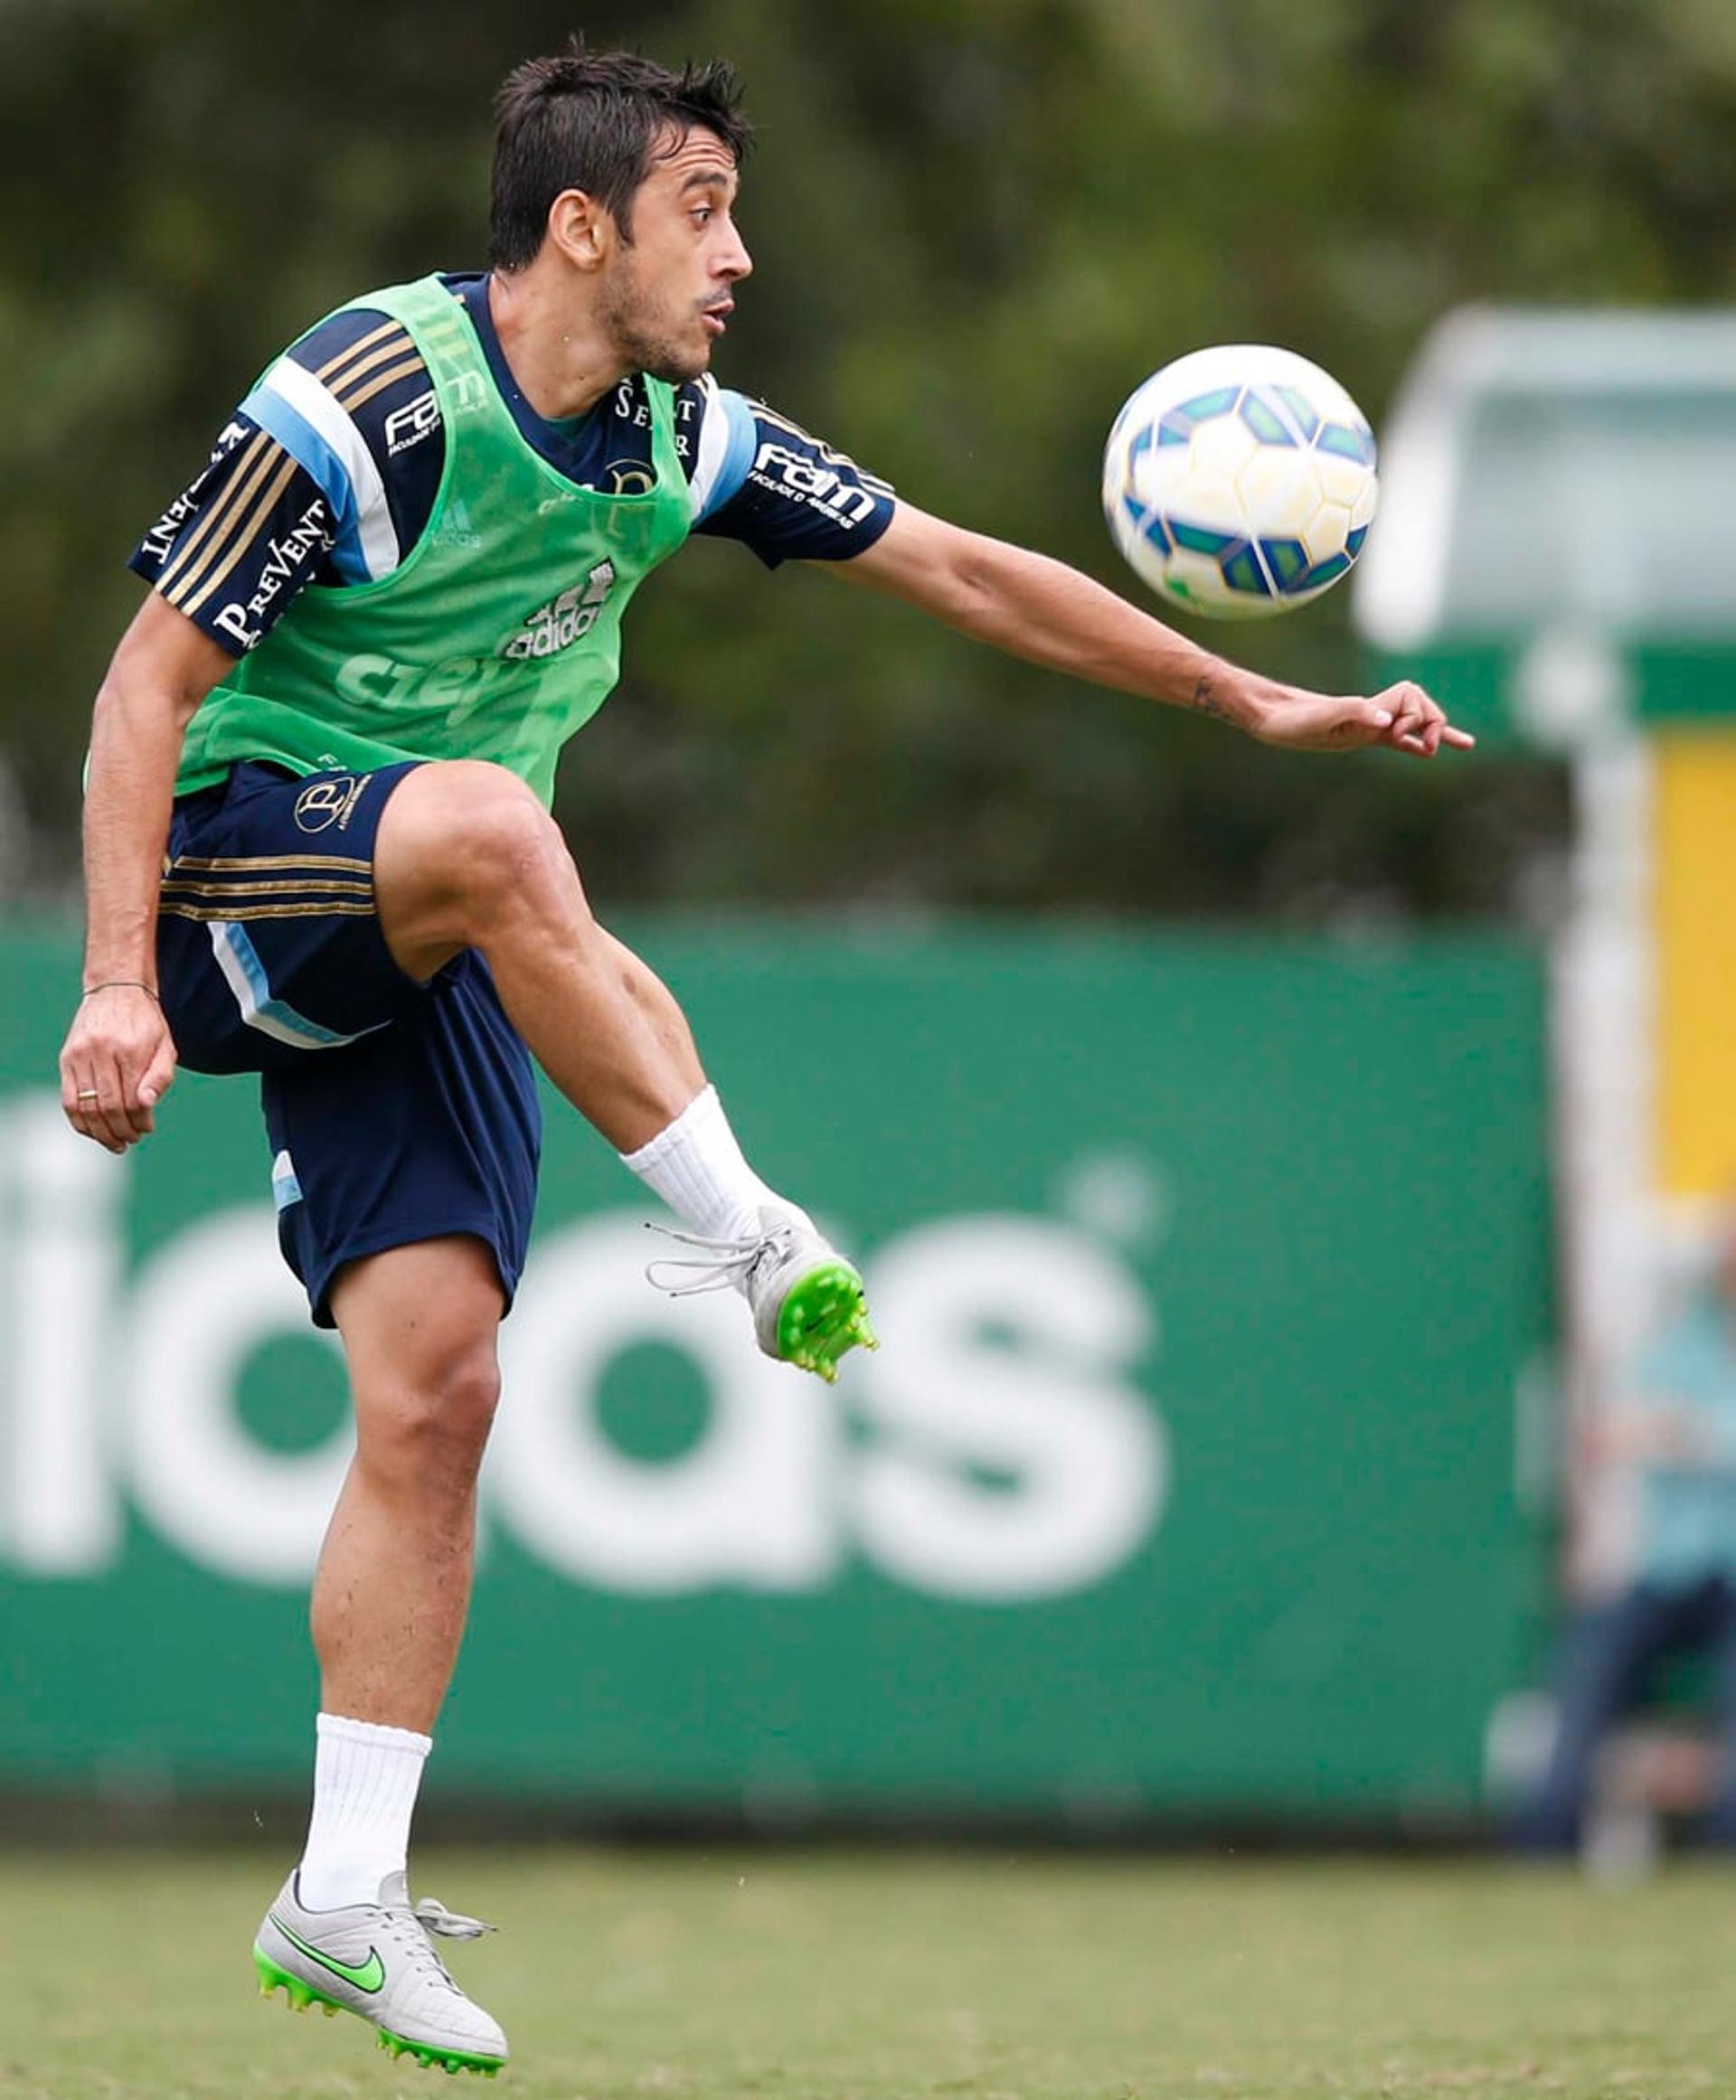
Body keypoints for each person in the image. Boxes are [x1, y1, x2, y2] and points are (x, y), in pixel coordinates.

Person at [59, 42, 1471, 2079]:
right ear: (581, 226)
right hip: (226, 872)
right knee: (491, 830)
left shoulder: (682, 440)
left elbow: (965, 567)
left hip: (435, 912)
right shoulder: (364, 401)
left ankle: (341, 1893)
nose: (739, 254)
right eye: (703, 209)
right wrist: (113, 983)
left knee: (440, 1385)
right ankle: (740, 1234)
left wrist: (1254, 703)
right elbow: (144, 684)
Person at [1515, 1225, 1736, 1857]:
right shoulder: (1675, 1345)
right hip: (1669, 1573)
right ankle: (1543, 1841)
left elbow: (1665, 1431)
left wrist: (1687, 1433)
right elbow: (1613, 1430)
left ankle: (1725, 1845)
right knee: (1592, 1657)